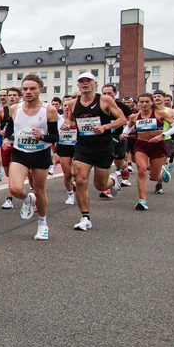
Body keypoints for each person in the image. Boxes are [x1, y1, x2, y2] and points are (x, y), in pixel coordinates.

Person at [65, 72, 127, 231]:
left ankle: (113, 181)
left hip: (103, 146)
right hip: (83, 146)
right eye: (81, 81)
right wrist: (67, 125)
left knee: (100, 185)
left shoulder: (105, 100)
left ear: (95, 84)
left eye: (88, 81)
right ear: (78, 85)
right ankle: (85, 217)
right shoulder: (73, 103)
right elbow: (71, 120)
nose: (84, 84)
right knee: (80, 180)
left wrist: (105, 127)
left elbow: (122, 119)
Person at [0, 75, 58, 240]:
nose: (28, 92)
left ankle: (42, 224)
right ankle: (26, 200)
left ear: (41, 90)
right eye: (25, 89)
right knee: (15, 188)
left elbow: (55, 137)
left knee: (39, 191)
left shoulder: (49, 110)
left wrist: (42, 137)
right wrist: (6, 138)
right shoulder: (14, 108)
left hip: (40, 153)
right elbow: (11, 126)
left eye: (32, 88)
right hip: (20, 152)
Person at [127, 93, 174, 210]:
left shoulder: (160, 114)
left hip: (157, 145)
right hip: (141, 145)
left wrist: (162, 135)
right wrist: (124, 133)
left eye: (147, 102)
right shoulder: (134, 117)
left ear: (152, 102)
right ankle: (142, 200)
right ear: (138, 104)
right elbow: (128, 127)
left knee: (154, 177)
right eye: (142, 102)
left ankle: (161, 171)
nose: (144, 104)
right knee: (141, 171)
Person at [0, 87, 21, 209]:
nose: (12, 97)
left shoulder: (24, 110)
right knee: (8, 172)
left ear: (20, 97)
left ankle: (9, 198)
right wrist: (0, 132)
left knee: (17, 173)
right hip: (7, 143)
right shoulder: (1, 111)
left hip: (20, 145)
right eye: (10, 95)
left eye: (15, 95)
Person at [56, 96, 78, 205]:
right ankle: (70, 195)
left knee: (75, 172)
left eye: (69, 106)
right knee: (67, 173)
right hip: (63, 146)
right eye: (65, 105)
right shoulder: (58, 119)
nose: (67, 107)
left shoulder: (78, 118)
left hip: (77, 147)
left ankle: (76, 185)